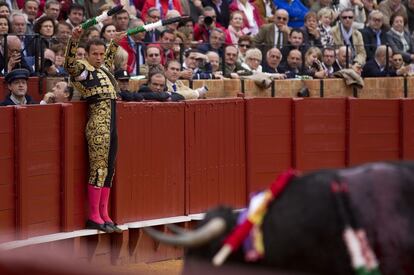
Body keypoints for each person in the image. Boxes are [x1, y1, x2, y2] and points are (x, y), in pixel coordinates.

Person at [64, 25, 126, 234]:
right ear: (87, 55)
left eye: (101, 54)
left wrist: (115, 41)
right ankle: (93, 216)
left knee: (109, 169)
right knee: (98, 169)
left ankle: (104, 214)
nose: (99, 57)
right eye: (95, 54)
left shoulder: (103, 69)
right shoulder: (83, 71)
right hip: (98, 125)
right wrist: (73, 41)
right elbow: (69, 65)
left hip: (111, 124)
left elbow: (108, 57)